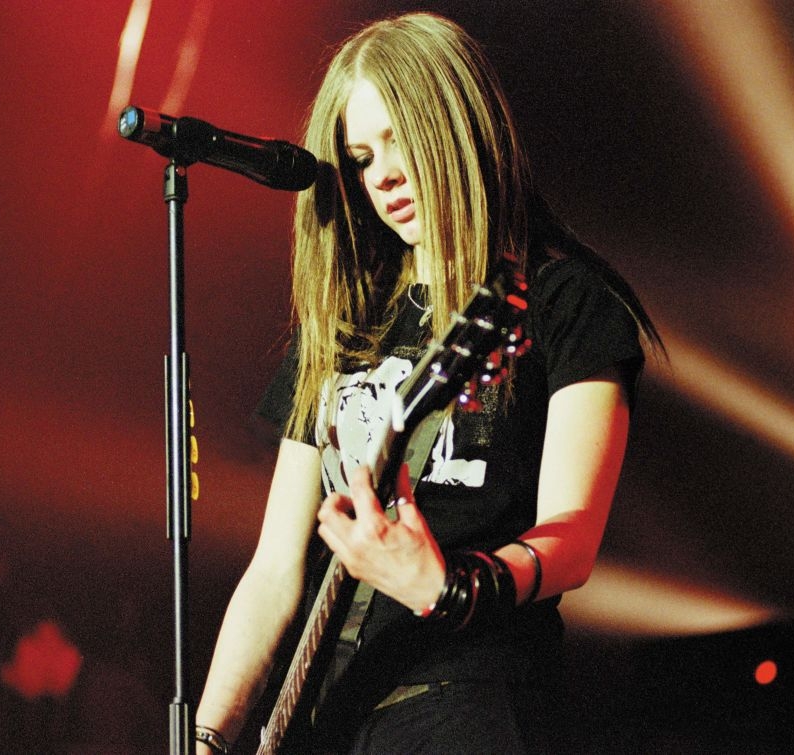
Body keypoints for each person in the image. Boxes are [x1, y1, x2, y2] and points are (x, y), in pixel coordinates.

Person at [194, 12, 661, 754]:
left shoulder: (562, 301)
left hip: (467, 701)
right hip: (329, 711)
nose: (381, 173)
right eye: (359, 155)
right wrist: (209, 734)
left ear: (453, 127)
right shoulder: (346, 323)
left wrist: (450, 587)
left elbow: (570, 540)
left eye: (397, 139)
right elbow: (276, 567)